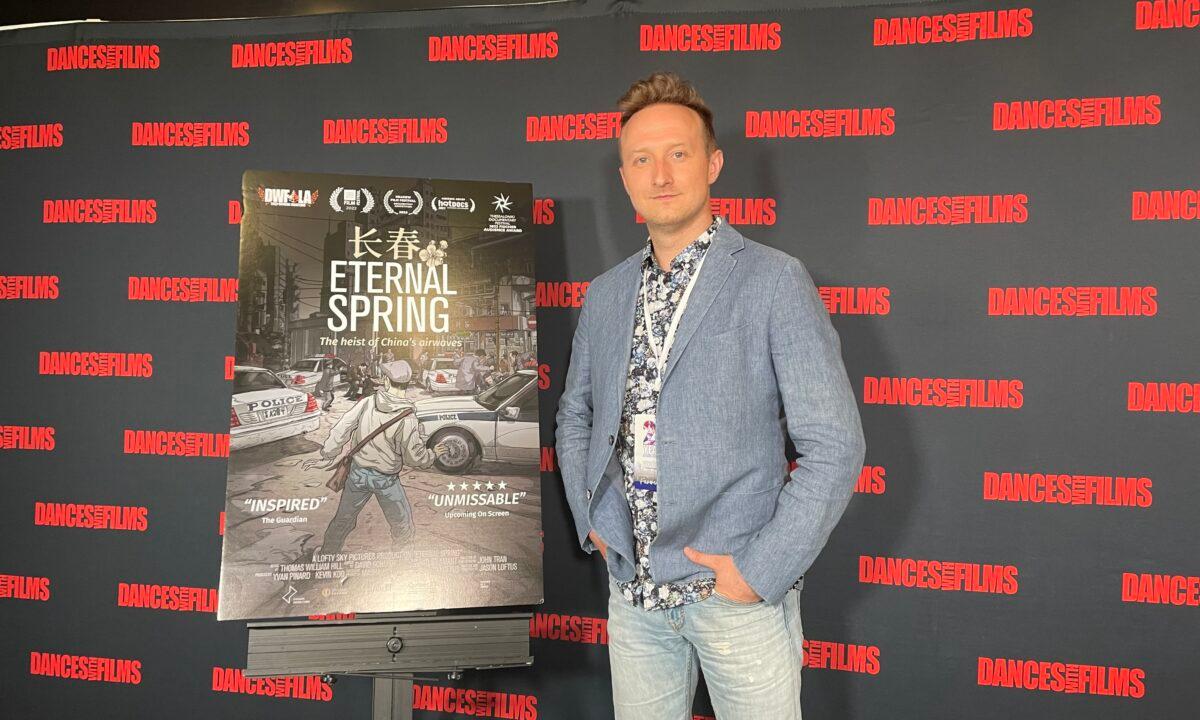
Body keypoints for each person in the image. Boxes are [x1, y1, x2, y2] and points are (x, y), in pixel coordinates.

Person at [554, 72, 865, 720]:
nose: (660, 173)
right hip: (632, 597)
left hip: (731, 596)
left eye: (678, 153)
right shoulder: (607, 294)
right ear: (625, 177)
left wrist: (758, 571)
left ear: (713, 163)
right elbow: (576, 412)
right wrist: (593, 521)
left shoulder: (774, 282)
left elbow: (835, 445)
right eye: (642, 158)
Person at [304, 360, 447, 556]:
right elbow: (415, 458)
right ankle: (402, 565)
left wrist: (328, 455)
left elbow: (341, 429)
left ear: (387, 382)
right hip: (386, 480)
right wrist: (433, 454)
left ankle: (327, 555)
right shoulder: (408, 418)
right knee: (401, 524)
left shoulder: (367, 402)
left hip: (357, 474)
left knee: (343, 520)